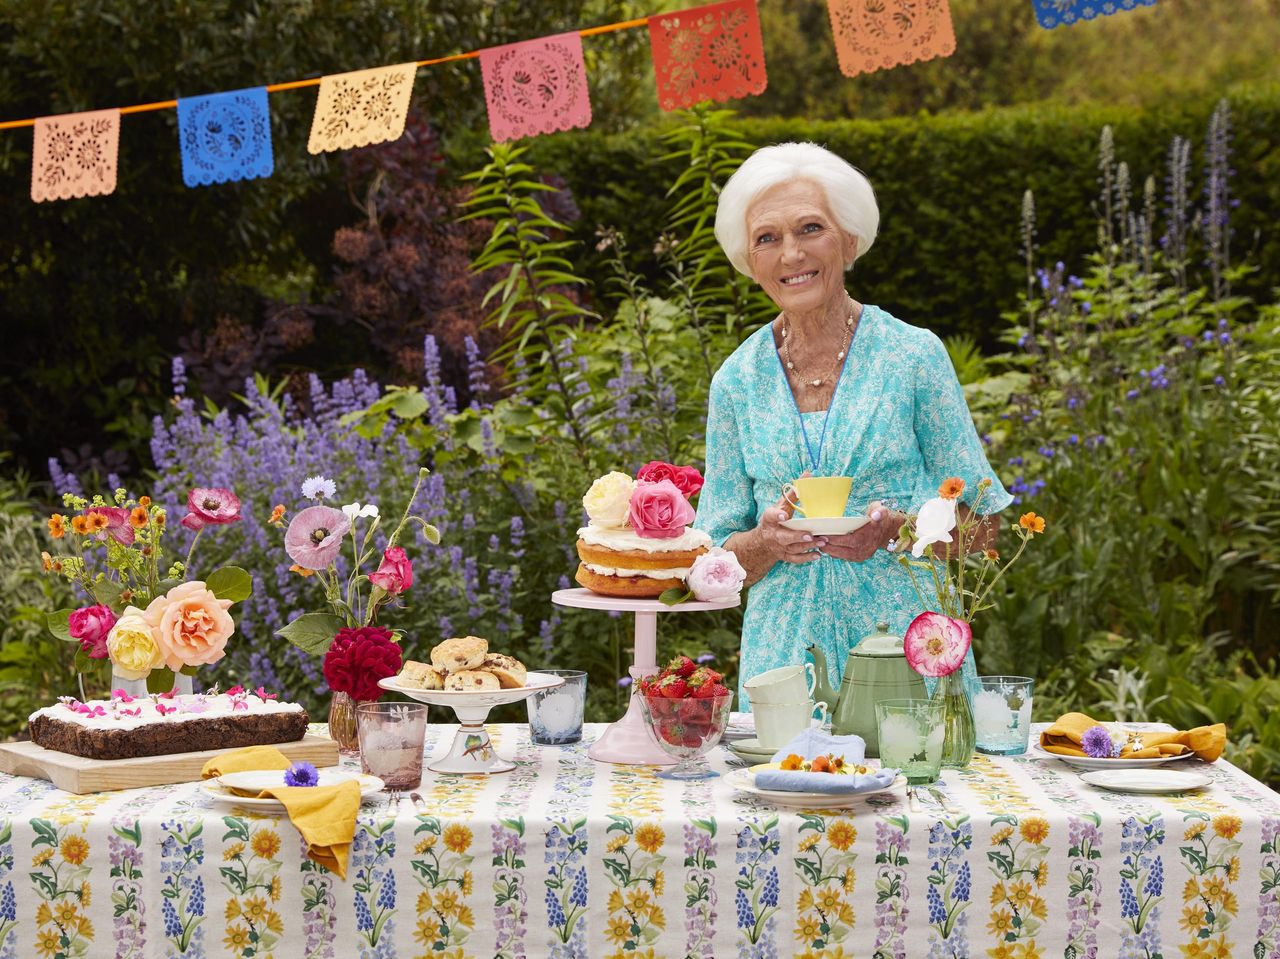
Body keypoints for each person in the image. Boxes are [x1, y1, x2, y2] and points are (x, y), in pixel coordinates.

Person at [695, 142, 1012, 706]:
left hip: (907, 657)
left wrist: (894, 531)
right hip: (784, 671)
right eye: (767, 238)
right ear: (750, 259)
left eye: (810, 228)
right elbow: (711, 557)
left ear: (849, 238)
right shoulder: (736, 381)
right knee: (782, 789)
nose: (790, 254)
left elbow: (985, 531)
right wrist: (764, 542)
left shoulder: (913, 357)